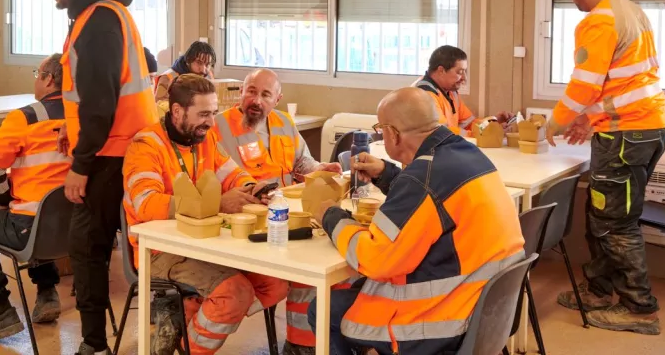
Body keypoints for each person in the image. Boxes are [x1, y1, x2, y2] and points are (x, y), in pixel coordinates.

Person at [307, 87, 525, 354]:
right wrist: (386, 173)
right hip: (484, 308)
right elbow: (433, 199)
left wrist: (330, 216)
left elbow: (375, 259)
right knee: (358, 290)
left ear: (393, 134)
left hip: (440, 321)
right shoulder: (466, 154)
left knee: (324, 309)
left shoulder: (421, 179)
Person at [546, 0, 665, 335]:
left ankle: (639, 308)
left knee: (615, 222)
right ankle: (599, 290)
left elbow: (583, 85)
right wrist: (594, 118)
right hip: (644, 127)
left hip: (626, 135)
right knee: (603, 214)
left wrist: (553, 124)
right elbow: (632, 82)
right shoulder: (631, 10)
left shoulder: (598, 20)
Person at [123, 74, 289, 355]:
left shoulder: (204, 138)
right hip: (159, 251)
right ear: (177, 111)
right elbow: (145, 204)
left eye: (213, 113)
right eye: (203, 114)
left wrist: (251, 188)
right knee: (234, 294)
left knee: (275, 284)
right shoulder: (146, 145)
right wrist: (217, 205)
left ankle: (184, 314)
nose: (211, 122)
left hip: (204, 243)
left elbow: (233, 174)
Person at [47, 0, 158, 355]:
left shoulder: (97, 20)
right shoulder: (109, 13)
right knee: (121, 247)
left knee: (88, 252)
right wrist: (71, 133)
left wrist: (81, 162)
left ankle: (92, 345)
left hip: (110, 154)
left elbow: (101, 103)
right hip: (126, 147)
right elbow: (93, 97)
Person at [213, 68, 343, 355]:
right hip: (248, 222)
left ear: (277, 99)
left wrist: (320, 169)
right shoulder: (220, 126)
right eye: (251, 91)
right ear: (242, 91)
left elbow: (303, 162)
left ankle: (302, 344)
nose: (256, 100)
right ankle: (301, 344)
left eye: (265, 94)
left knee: (328, 261)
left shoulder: (284, 123)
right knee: (308, 266)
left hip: (287, 215)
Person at [0, 54, 70, 344]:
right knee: (41, 214)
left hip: (28, 227)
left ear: (48, 78)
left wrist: (7, 200)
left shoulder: (25, 117)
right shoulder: (85, 118)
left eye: (37, 72)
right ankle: (46, 293)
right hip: (75, 230)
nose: (35, 78)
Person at [414, 45, 512, 135]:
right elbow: (442, 132)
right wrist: (484, 134)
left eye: (465, 71)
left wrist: (493, 122)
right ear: (441, 71)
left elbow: (468, 124)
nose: (464, 78)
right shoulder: (425, 95)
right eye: (460, 72)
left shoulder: (451, 92)